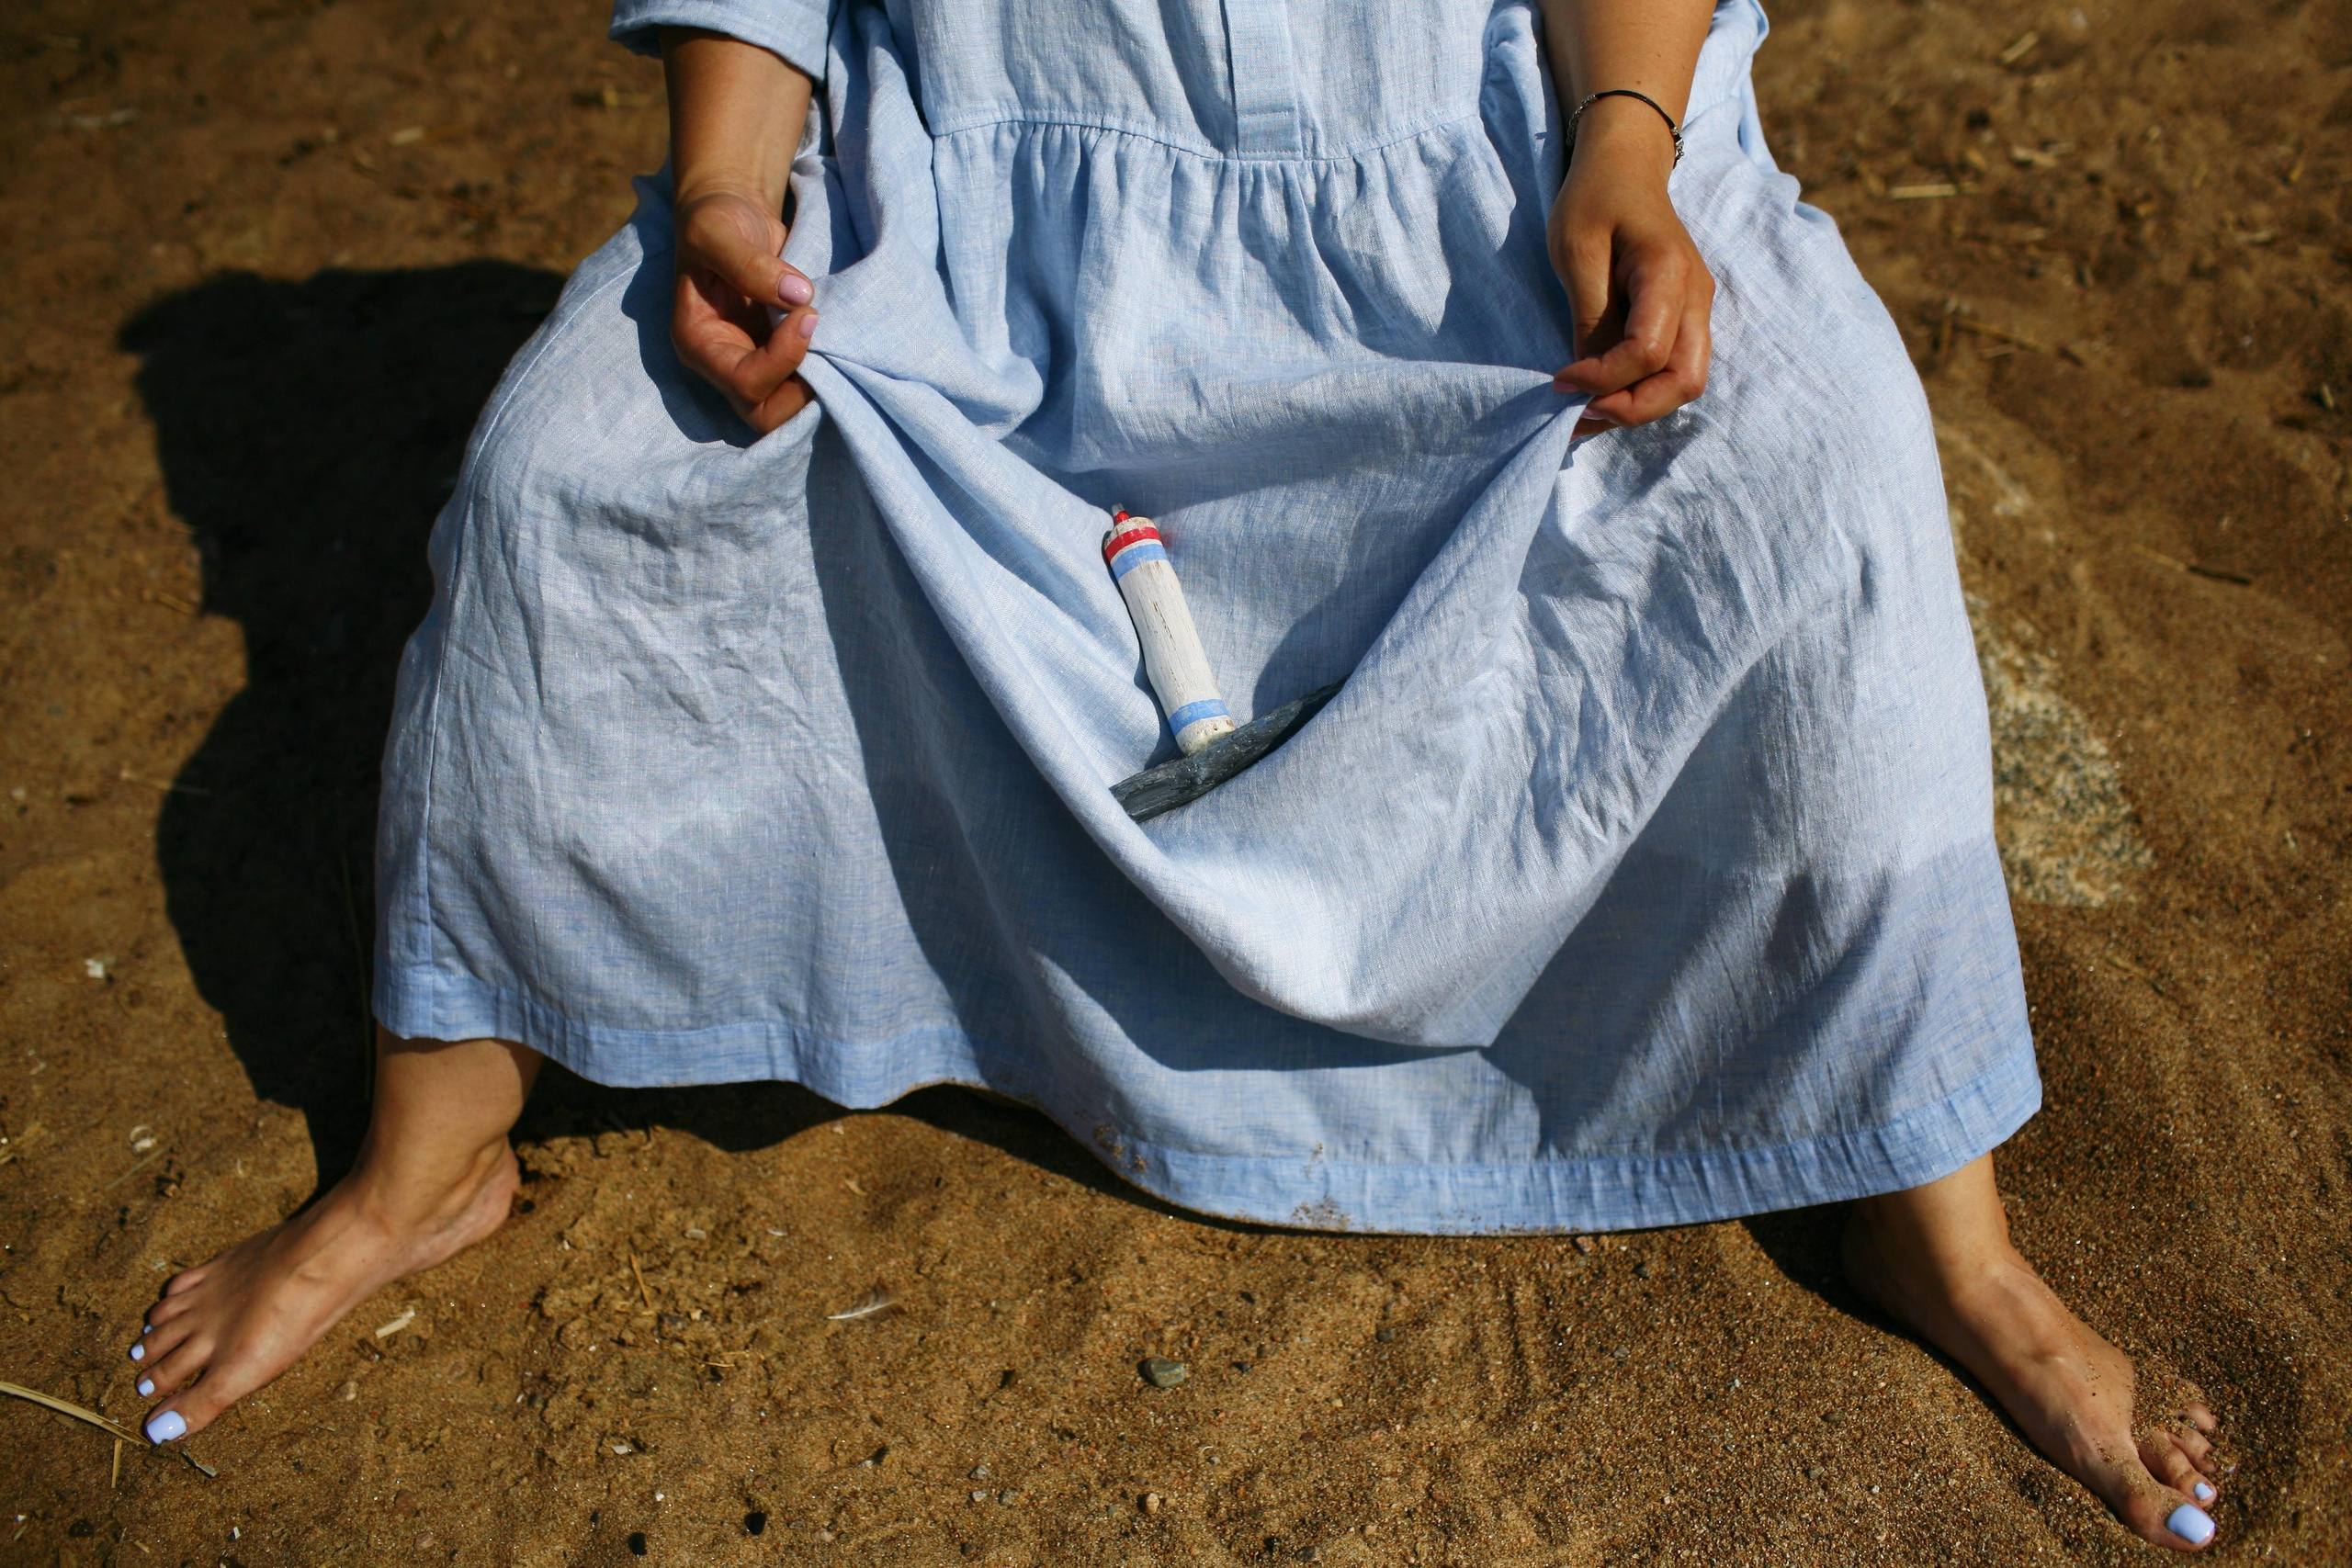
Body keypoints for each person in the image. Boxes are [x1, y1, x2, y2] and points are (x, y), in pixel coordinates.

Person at [123, 0, 2222, 1549]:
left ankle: (1933, 1221)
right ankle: (428, 1157)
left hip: (1478, 202)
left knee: (1809, 476)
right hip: (973, 232)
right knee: (566, 480)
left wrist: (1626, 141)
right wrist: (725, 195)